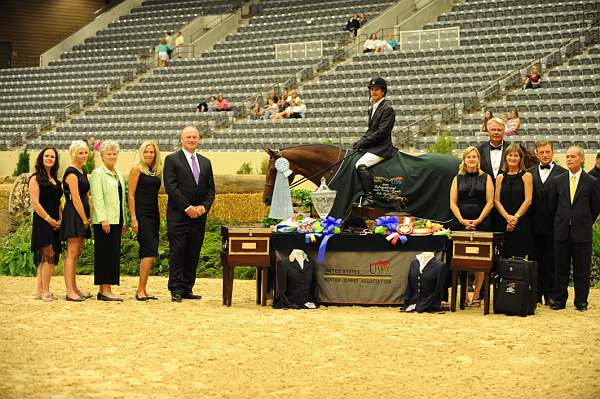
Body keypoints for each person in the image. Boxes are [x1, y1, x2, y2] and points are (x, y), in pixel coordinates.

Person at [164, 126, 215, 302]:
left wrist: (204, 207)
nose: (191, 140)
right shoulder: (172, 160)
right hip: (179, 216)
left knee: (193, 252)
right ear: (182, 139)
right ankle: (176, 289)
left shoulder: (206, 162)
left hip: (199, 217)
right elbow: (172, 187)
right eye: (188, 137)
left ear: (199, 139)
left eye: (194, 137)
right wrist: (187, 208)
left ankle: (187, 288)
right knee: (177, 252)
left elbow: (211, 190)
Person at [548, 146, 600, 311]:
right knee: (560, 268)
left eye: (573, 156)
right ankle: (559, 300)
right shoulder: (558, 180)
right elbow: (552, 205)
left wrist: (583, 221)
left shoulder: (592, 182)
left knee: (582, 269)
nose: (569, 159)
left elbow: (595, 207)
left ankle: (581, 301)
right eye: (568, 156)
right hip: (561, 231)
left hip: (582, 232)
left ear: (582, 159)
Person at [449, 146, 494, 306]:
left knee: (480, 261)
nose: (472, 159)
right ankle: (464, 295)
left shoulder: (486, 177)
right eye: (469, 157)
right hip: (461, 224)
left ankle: (476, 297)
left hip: (482, 223)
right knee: (462, 260)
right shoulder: (457, 178)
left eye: (475, 156)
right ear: (464, 159)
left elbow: (490, 201)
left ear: (478, 159)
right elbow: (453, 203)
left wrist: (478, 220)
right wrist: (462, 220)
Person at [527, 140, 567, 306]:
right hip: (533, 226)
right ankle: (535, 294)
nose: (544, 155)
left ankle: (551, 294)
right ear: (536, 153)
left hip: (554, 226)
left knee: (552, 261)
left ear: (552, 153)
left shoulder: (563, 173)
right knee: (535, 261)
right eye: (541, 152)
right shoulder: (528, 173)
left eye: (547, 152)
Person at [90, 140, 128, 302]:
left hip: (117, 220)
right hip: (104, 222)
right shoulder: (98, 173)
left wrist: (124, 220)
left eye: (114, 154)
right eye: (108, 154)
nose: (112, 156)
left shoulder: (118, 173)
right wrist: (103, 219)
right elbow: (97, 198)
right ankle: (105, 291)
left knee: (112, 256)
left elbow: (122, 200)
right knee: (105, 255)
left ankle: (105, 290)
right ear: (102, 156)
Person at [352, 77, 396, 206]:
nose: (373, 92)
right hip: (373, 146)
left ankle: (370, 197)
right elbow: (371, 130)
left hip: (382, 148)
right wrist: (360, 141)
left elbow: (381, 132)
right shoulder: (373, 108)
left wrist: (364, 143)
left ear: (383, 91)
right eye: (371, 89)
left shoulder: (387, 109)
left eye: (376, 89)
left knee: (360, 165)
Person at [128, 140, 162, 301]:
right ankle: (140, 290)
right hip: (141, 215)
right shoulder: (137, 169)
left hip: (154, 214)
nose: (149, 154)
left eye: (152, 152)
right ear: (142, 153)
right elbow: (131, 194)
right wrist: (133, 218)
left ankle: (143, 289)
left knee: (150, 252)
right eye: (146, 151)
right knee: (149, 251)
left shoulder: (155, 171)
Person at [60, 140, 92, 302]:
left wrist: (89, 214)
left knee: (77, 251)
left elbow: (86, 196)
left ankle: (75, 288)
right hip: (74, 214)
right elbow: (76, 199)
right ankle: (69, 291)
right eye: (80, 152)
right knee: (72, 253)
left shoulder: (81, 170)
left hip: (82, 214)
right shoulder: (71, 173)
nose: (84, 155)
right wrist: (84, 219)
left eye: (85, 152)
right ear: (73, 154)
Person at [29, 147, 62, 302]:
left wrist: (60, 219)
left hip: (55, 222)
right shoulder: (35, 178)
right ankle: (45, 291)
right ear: (41, 158)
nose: (49, 158)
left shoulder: (55, 179)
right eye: (47, 156)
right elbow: (35, 203)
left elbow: (58, 203)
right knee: (48, 255)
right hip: (43, 221)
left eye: (52, 157)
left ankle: (39, 290)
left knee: (46, 256)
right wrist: (49, 220)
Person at [494, 144, 533, 259]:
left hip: (521, 222)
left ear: (520, 158)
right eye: (510, 155)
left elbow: (528, 199)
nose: (513, 158)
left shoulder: (526, 176)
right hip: (502, 221)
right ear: (505, 157)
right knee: (504, 256)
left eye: (516, 155)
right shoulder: (500, 177)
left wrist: (515, 218)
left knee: (519, 256)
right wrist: (507, 218)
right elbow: (496, 201)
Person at [478, 117, 510, 231]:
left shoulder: (513, 150)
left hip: (508, 202)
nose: (496, 132)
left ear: (504, 131)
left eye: (499, 130)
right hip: (484, 203)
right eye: (493, 130)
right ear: (488, 131)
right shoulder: (479, 150)